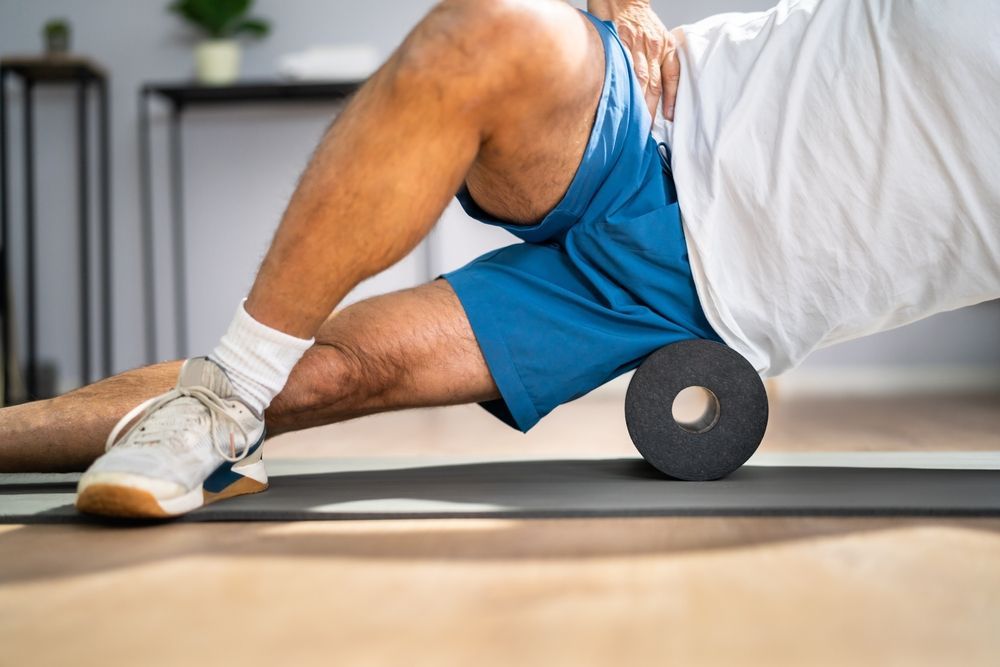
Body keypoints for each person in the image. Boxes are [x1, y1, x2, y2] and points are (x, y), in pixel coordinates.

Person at [1, 0, 997, 517]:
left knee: (337, 372)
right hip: (655, 112)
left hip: (681, 298)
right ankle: (218, 401)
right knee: (491, 30)